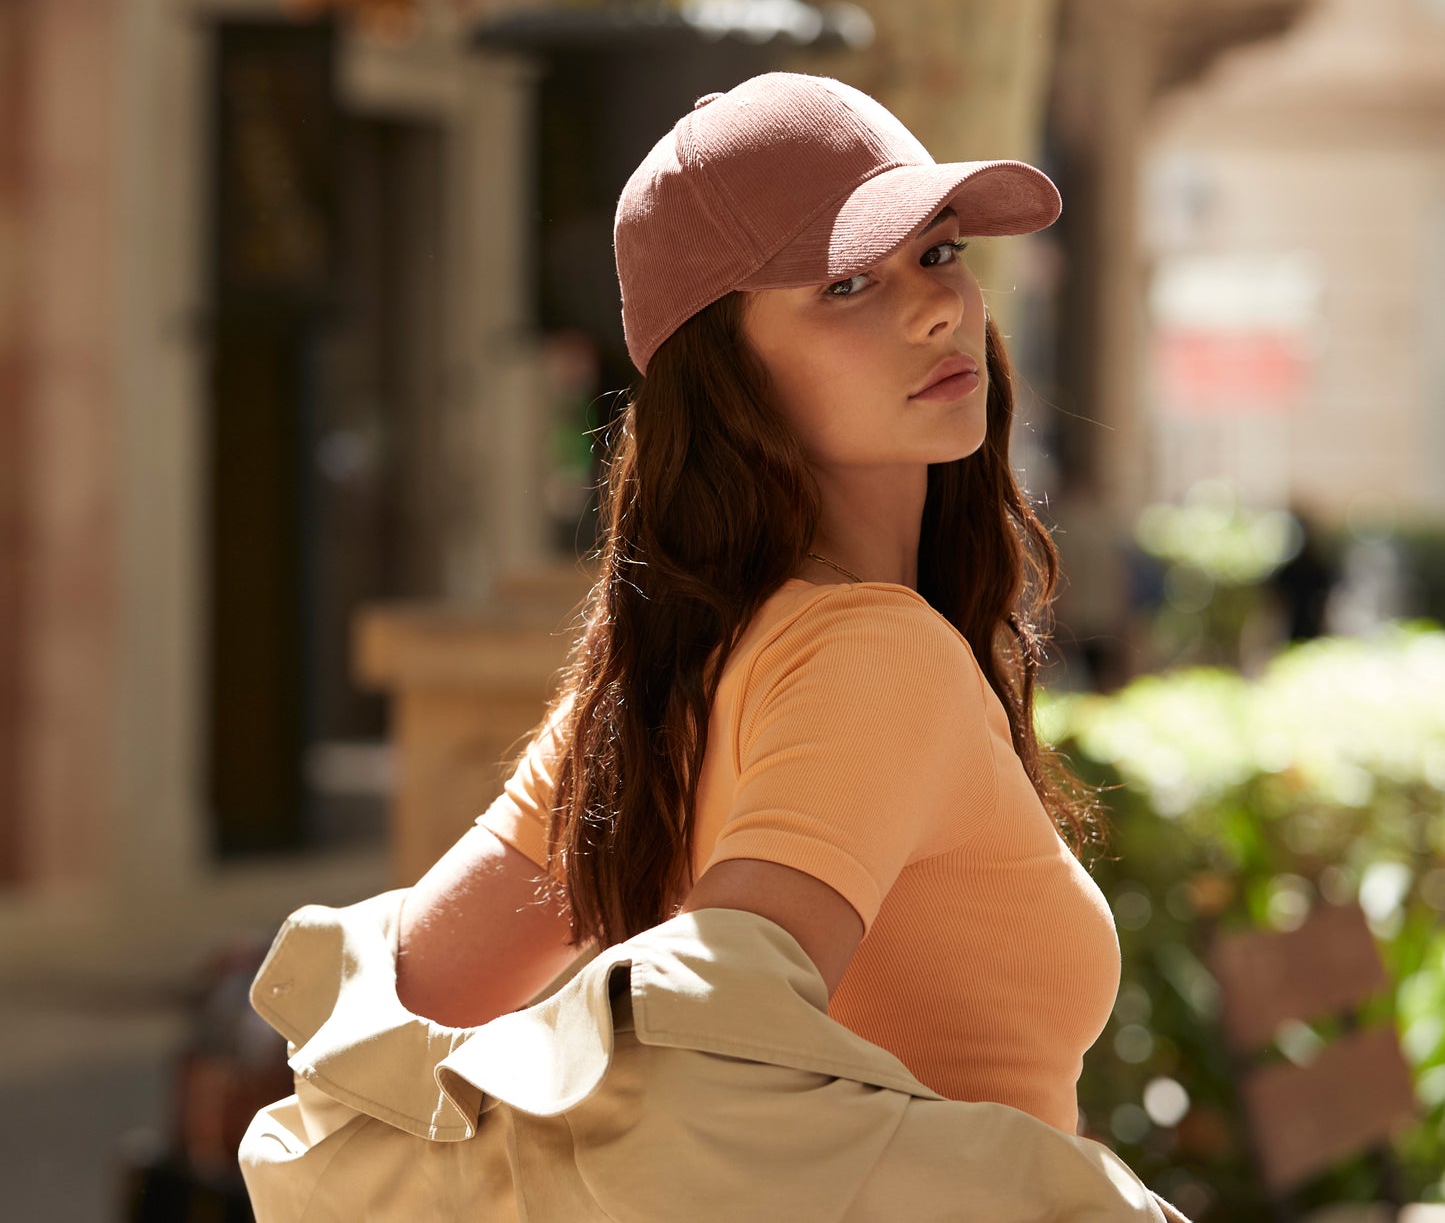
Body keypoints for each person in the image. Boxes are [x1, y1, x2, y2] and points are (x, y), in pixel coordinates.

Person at [242, 72, 1190, 1222]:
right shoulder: (871, 651)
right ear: (724, 373)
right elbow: (689, 1058)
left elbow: (372, 1020)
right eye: (846, 283)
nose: (937, 308)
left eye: (938, 252)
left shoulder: (664, 677)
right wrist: (1089, 1200)